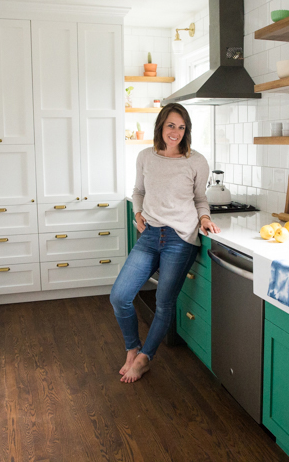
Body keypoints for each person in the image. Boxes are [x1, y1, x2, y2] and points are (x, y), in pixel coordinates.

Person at [110, 103, 220, 383]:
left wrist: (204, 218)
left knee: (163, 302)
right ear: (160, 126)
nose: (176, 132)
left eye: (182, 127)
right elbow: (139, 191)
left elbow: (199, 199)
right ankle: (132, 348)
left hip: (180, 238)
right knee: (120, 296)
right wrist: (137, 212)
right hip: (149, 236)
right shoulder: (146, 156)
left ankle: (145, 358)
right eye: (171, 125)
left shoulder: (196, 161)